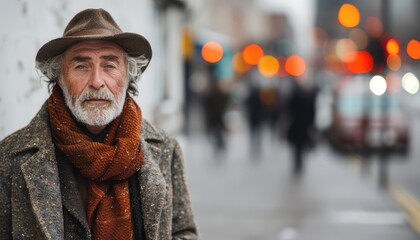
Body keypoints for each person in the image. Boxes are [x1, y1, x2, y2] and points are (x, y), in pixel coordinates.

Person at [0, 8, 198, 240]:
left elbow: (183, 233)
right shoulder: (10, 157)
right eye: (81, 66)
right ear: (60, 77)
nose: (96, 81)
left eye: (110, 66)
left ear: (127, 75)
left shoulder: (165, 149)